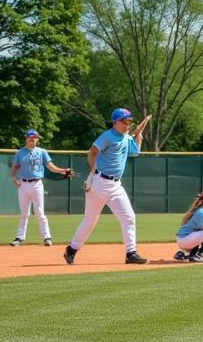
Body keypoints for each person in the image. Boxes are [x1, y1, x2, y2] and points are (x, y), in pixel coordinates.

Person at [63, 108, 151, 265]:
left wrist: (138, 134)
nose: (127, 124)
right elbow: (92, 152)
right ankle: (72, 249)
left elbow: (135, 151)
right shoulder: (107, 136)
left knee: (128, 217)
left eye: (130, 121)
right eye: (125, 121)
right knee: (90, 221)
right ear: (115, 122)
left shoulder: (126, 138)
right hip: (99, 182)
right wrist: (92, 172)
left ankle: (131, 253)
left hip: (115, 185)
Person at [9, 129, 74, 246]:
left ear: (37, 140)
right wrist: (14, 179)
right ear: (26, 139)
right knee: (24, 213)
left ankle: (47, 237)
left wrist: (63, 170)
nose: (32, 141)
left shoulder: (41, 151)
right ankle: (19, 238)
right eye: (30, 139)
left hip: (37, 184)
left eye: (34, 139)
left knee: (39, 212)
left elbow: (51, 167)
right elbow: (14, 168)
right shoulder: (20, 153)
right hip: (23, 185)